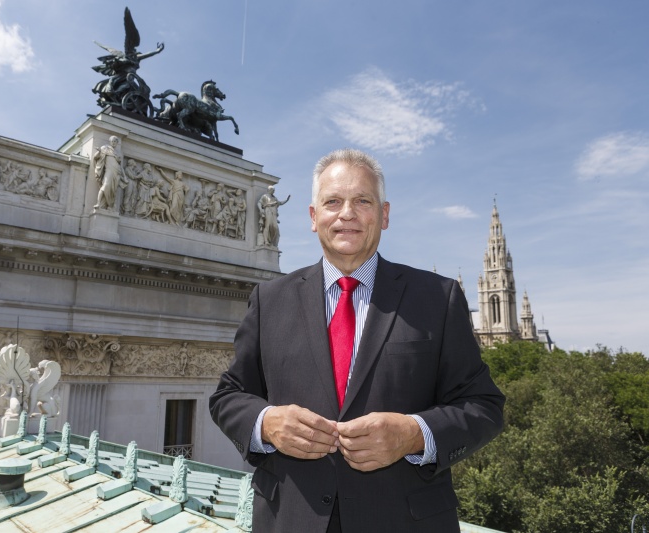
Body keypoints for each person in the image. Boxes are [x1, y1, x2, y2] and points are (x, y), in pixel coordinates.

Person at [210, 148, 505, 532]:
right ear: (314, 217)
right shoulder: (269, 300)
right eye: (332, 202)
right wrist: (266, 424)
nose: (346, 213)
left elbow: (484, 405)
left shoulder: (438, 298)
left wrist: (413, 434)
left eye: (362, 201)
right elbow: (229, 395)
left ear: (384, 214)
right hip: (290, 519)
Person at [92, 136, 123, 211]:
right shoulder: (105, 148)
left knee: (113, 190)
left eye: (115, 141)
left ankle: (110, 205)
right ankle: (98, 203)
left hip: (116, 172)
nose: (113, 143)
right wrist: (99, 152)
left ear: (117, 143)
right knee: (105, 186)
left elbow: (119, 163)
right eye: (112, 141)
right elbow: (96, 157)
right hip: (109, 171)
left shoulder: (117, 153)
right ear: (110, 141)